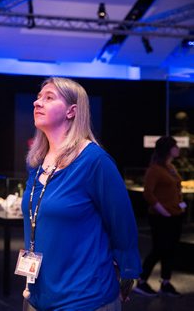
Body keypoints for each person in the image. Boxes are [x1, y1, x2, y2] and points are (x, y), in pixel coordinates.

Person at [21, 77, 141, 310]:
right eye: (38, 97)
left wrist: (127, 273)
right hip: (38, 294)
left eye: (49, 97)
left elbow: (122, 223)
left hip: (84, 297)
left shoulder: (95, 162)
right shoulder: (37, 164)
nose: (37, 103)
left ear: (71, 111)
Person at [133, 136, 185, 297]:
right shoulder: (155, 169)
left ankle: (165, 281)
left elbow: (176, 188)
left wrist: (179, 206)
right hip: (161, 218)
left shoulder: (171, 167)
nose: (178, 149)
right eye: (175, 146)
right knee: (159, 249)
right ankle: (142, 281)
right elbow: (148, 194)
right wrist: (163, 211)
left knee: (170, 250)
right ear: (168, 149)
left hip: (175, 216)